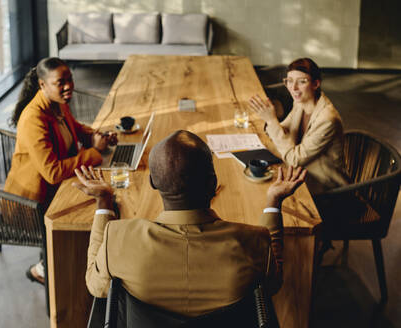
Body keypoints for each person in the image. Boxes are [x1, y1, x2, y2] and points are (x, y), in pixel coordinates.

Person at [73, 130, 306, 317]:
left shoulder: (118, 237)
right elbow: (272, 283)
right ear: (213, 183)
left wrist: (103, 202)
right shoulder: (254, 240)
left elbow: (96, 287)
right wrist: (273, 202)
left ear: (153, 183)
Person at [4, 57, 117, 284]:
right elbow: (53, 172)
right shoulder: (33, 118)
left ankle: (80, 262)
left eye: (70, 79)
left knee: (107, 198)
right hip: (30, 203)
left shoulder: (58, 104)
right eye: (61, 82)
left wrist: (98, 136)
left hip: (54, 190)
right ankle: (44, 269)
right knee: (100, 206)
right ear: (42, 85)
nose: (68, 86)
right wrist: (95, 153)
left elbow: (76, 129)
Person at [248, 58, 349, 196]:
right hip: (300, 176)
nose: (293, 88)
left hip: (326, 190)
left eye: (302, 81)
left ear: (315, 84)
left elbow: (294, 159)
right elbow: (284, 129)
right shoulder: (301, 103)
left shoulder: (327, 120)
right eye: (289, 80)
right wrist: (269, 121)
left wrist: (271, 121)